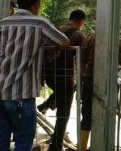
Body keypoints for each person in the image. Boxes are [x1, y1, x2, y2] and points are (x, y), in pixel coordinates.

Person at [0, 0, 70, 151]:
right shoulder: (40, 23)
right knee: (24, 141)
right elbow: (65, 41)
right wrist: (52, 48)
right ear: (37, 4)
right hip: (21, 94)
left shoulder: (4, 23)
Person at [37, 9, 87, 151]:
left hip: (49, 75)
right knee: (64, 114)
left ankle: (46, 105)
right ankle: (56, 146)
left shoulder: (56, 30)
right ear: (81, 22)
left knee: (61, 93)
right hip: (66, 78)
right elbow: (82, 56)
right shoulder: (79, 35)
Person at [78, 33, 121, 151]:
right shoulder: (118, 41)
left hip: (88, 80)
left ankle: (82, 148)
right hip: (109, 81)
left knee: (87, 116)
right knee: (110, 113)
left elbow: (81, 64)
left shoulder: (88, 39)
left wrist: (80, 80)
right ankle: (105, 145)